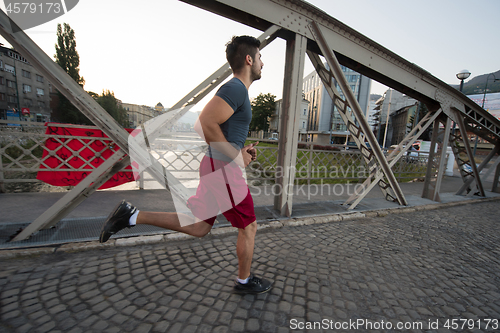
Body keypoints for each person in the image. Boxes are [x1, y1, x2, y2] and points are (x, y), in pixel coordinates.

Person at [99, 35, 272, 294]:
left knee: (199, 225)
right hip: (224, 169)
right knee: (249, 226)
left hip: (217, 165)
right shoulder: (236, 87)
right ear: (249, 59)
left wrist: (238, 149)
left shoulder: (238, 91)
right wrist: (235, 157)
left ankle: (131, 215)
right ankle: (244, 281)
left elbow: (209, 128)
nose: (262, 63)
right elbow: (203, 123)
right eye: (259, 57)